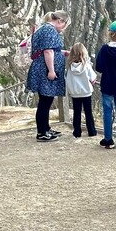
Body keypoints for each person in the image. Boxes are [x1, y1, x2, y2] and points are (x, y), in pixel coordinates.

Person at [26, 10, 70, 141]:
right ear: (60, 21)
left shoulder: (44, 28)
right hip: (44, 70)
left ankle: (46, 128)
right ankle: (42, 132)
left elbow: (51, 50)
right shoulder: (50, 30)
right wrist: (51, 71)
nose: (63, 28)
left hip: (41, 68)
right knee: (45, 101)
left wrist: (62, 53)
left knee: (47, 100)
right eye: (64, 24)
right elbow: (48, 52)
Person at [95, 21, 116, 148]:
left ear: (110, 33)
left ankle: (108, 139)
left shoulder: (104, 49)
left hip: (107, 84)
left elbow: (99, 67)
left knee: (107, 111)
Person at [66, 42, 97, 140]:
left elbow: (68, 79)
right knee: (88, 112)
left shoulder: (70, 67)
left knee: (77, 112)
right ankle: (91, 131)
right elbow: (93, 77)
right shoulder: (86, 66)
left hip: (75, 93)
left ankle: (77, 132)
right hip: (86, 92)